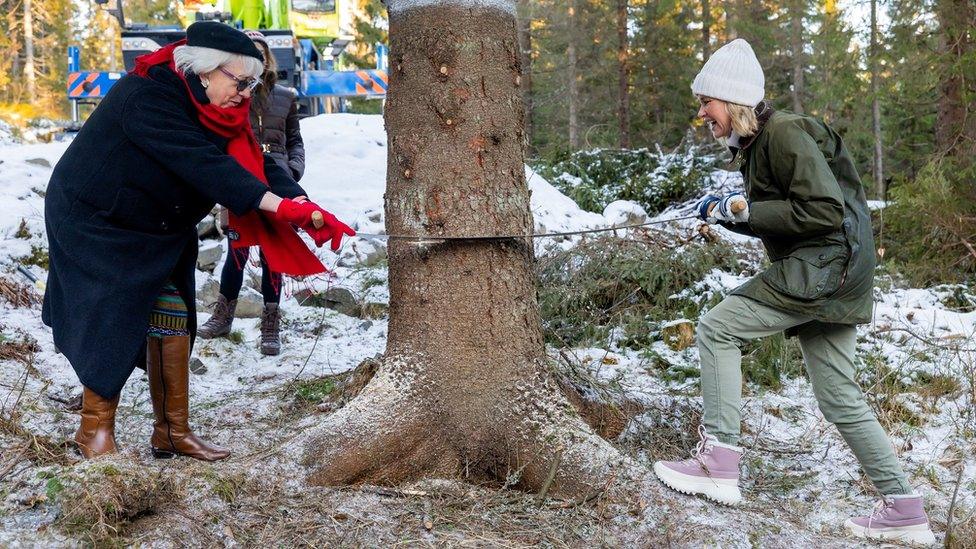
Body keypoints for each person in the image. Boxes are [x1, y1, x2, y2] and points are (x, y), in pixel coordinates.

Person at [651, 39, 936, 546]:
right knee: (839, 396)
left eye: (706, 102)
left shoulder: (784, 133)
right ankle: (905, 509)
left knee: (718, 328)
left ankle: (719, 462)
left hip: (825, 269)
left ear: (732, 100)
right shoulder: (757, 144)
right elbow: (788, 217)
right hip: (833, 270)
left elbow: (822, 212)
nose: (702, 114)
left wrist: (744, 210)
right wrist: (728, 213)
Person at [43, 21, 354, 462]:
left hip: (158, 223)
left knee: (173, 314)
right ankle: (93, 429)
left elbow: (254, 165)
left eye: (253, 84)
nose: (247, 94)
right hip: (98, 219)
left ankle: (172, 431)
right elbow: (205, 164)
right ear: (208, 70)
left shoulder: (218, 109)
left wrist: (302, 204)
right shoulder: (149, 94)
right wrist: (279, 209)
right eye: (241, 82)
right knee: (109, 317)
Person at [199, 30, 305, 356]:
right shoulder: (232, 92)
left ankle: (270, 325)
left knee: (273, 254)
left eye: (259, 53)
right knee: (237, 252)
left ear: (267, 57)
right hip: (240, 182)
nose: (254, 59)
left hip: (278, 181)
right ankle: (223, 315)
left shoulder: (285, 96)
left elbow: (295, 140)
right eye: (248, 54)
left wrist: (294, 169)